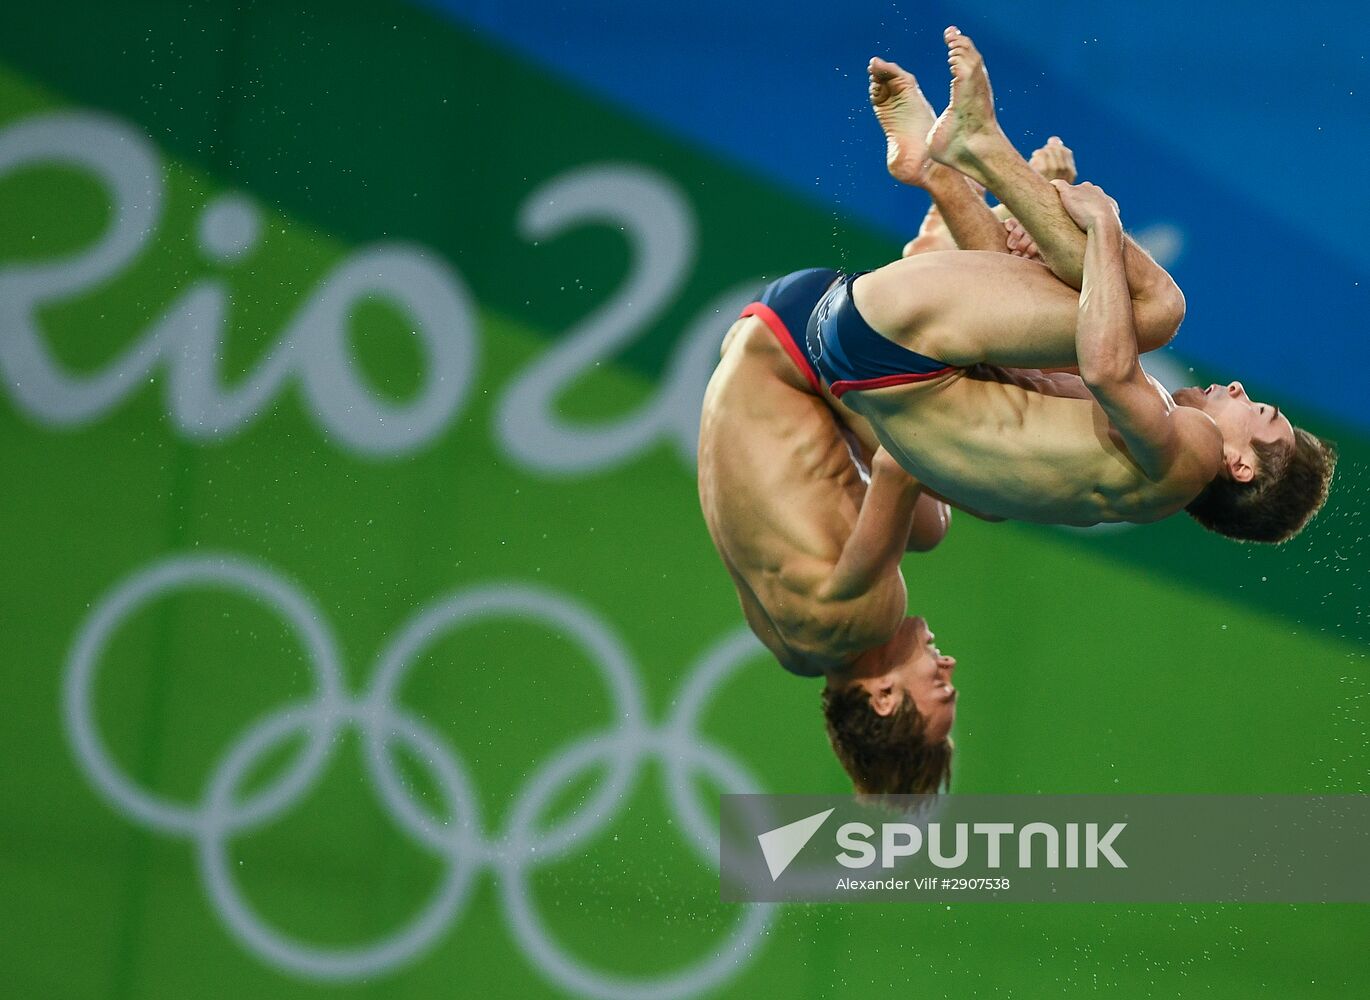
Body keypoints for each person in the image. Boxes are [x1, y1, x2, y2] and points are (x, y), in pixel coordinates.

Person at [803, 28, 1334, 541]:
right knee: (1090, 317)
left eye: (1260, 413)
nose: (1240, 388)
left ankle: (980, 146)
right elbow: (1019, 331)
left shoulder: (1195, 452)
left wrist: (1103, 224)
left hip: (896, 346)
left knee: (1159, 310)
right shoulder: (1110, 478)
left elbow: (1108, 370)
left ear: (1240, 466)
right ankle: (941, 170)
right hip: (847, 356)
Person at [698, 269, 958, 798]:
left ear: (884, 697)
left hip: (804, 333)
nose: (949, 667)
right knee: (930, 525)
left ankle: (945, 249)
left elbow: (898, 464)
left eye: (942, 689)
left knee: (980, 480)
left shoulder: (865, 619)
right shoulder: (796, 654)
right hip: (753, 338)